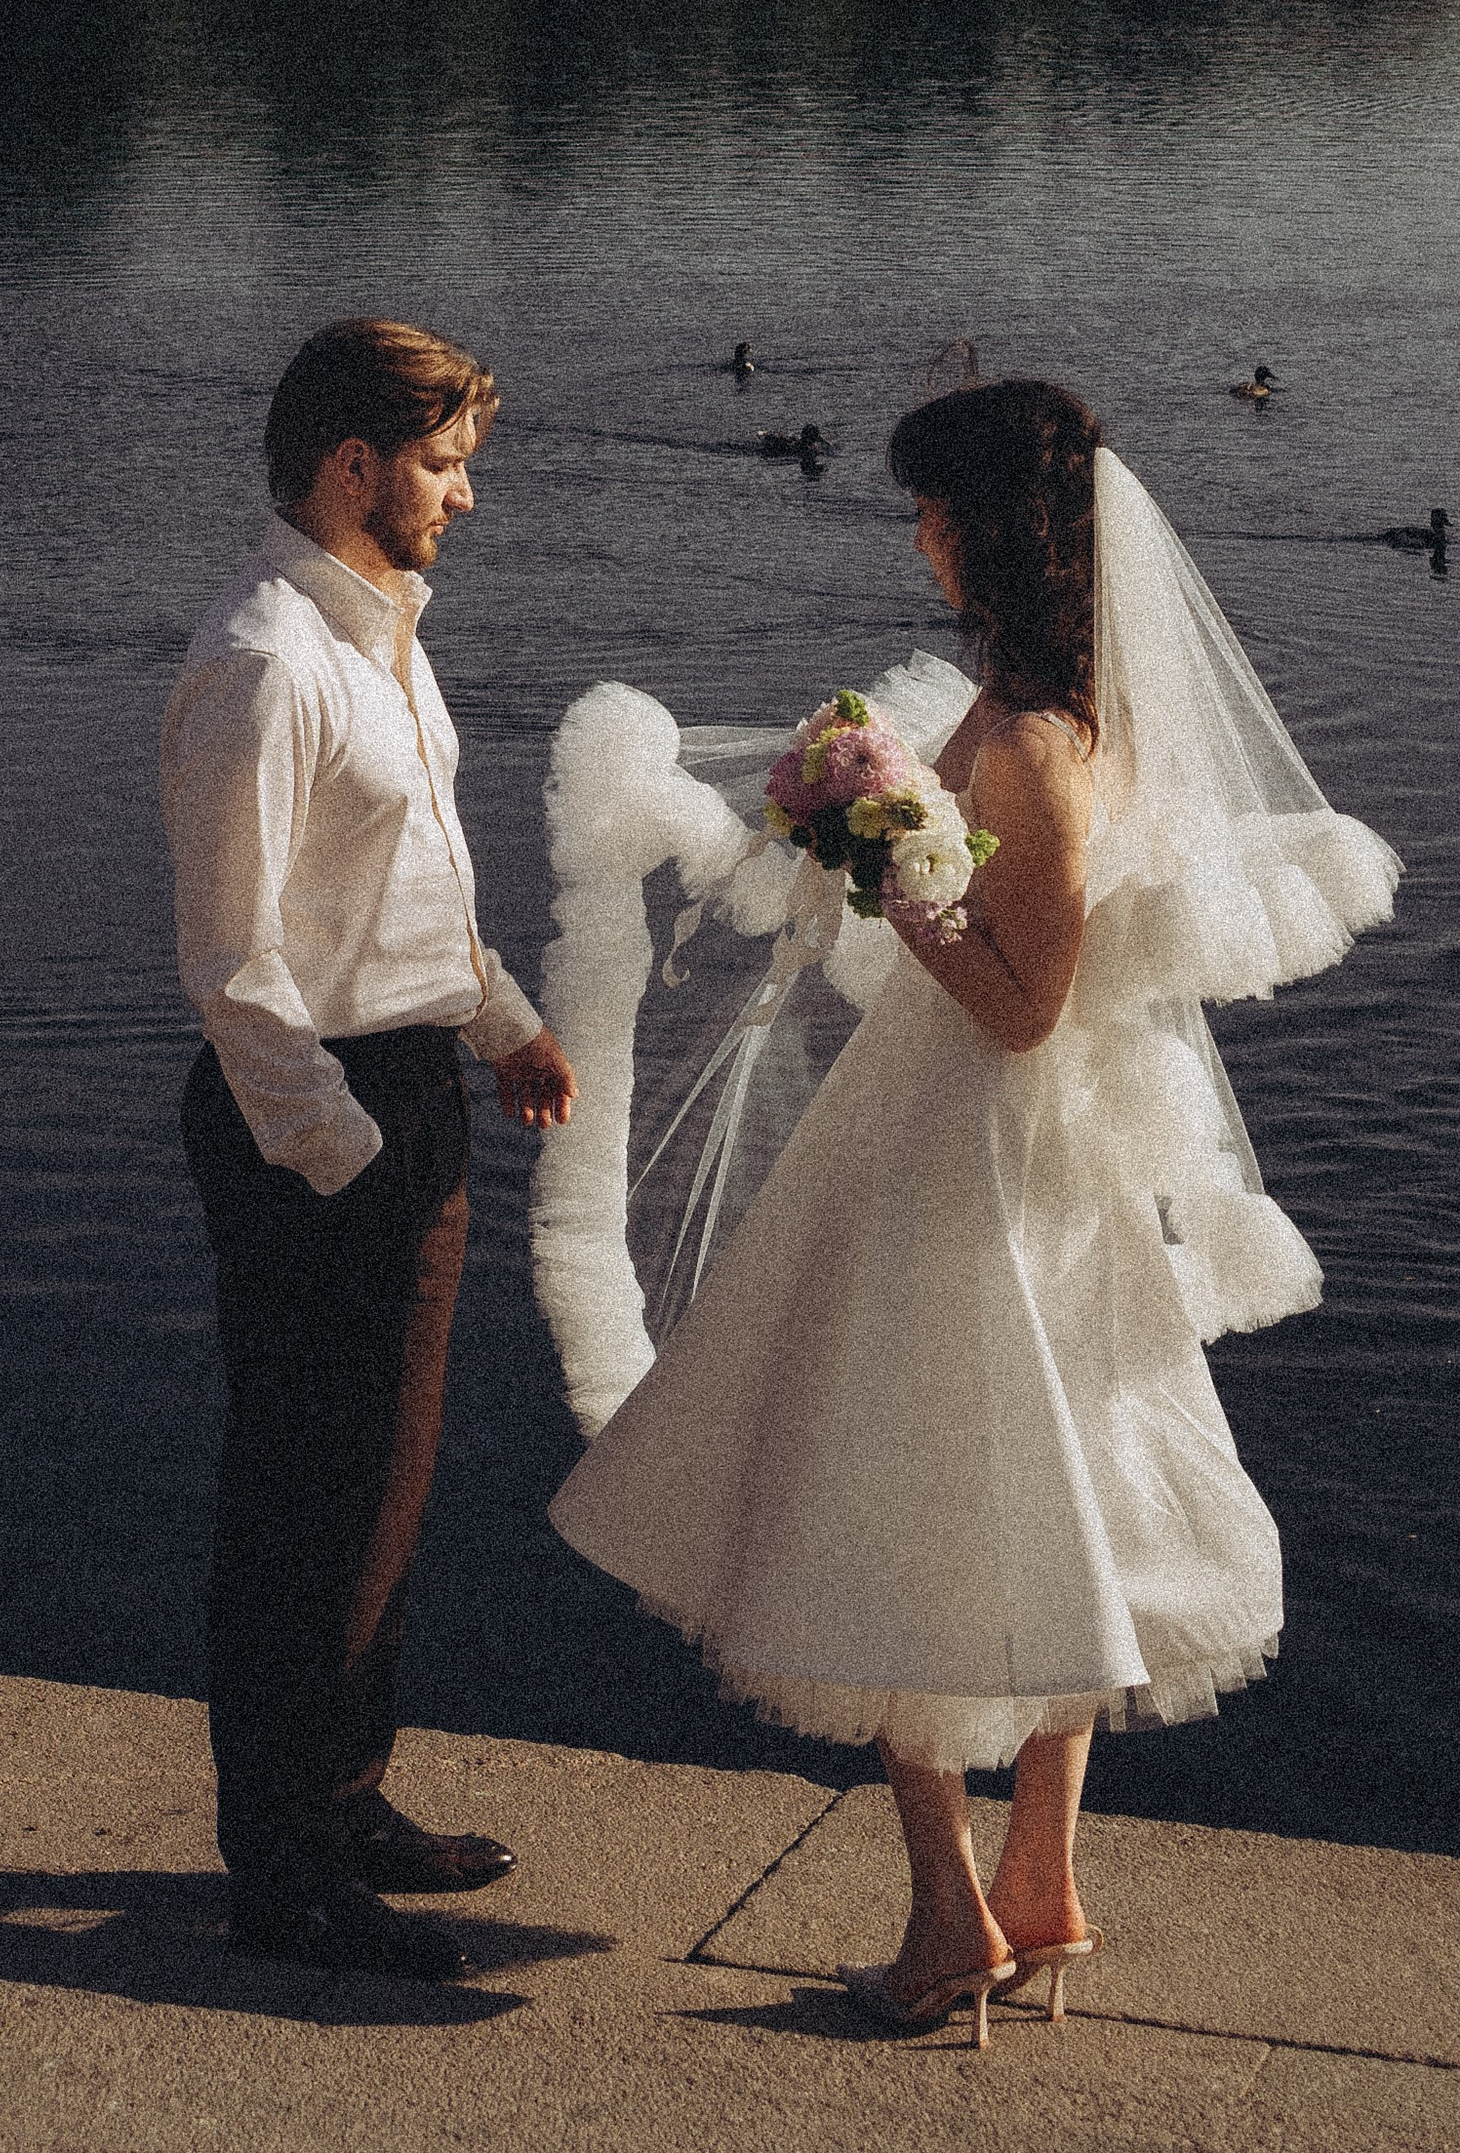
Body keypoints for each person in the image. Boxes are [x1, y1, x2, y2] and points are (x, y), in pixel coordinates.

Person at [542, 379, 1399, 2045]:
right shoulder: (1071, 711)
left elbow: (1020, 1001)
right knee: (1053, 1487)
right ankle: (1040, 1886)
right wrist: (880, 836)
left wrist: (881, 863)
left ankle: (950, 1926)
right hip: (1017, 1154)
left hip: (969, 1150)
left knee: (893, 1500)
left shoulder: (1026, 741)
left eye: (933, 509)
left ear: (993, 529)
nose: (919, 536)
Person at [164, 317, 579, 1978]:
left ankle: (343, 1795)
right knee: (303, 1506)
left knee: (380, 1495)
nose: (467, 495)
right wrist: (342, 1160)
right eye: (447, 461)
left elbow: (405, 897)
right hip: (312, 1119)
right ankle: (283, 1873)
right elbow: (236, 966)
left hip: (402, 1084)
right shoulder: (265, 662)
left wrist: (505, 1023)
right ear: (354, 464)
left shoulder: (383, 639)